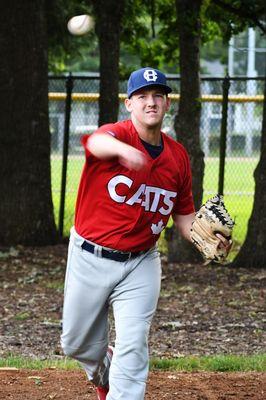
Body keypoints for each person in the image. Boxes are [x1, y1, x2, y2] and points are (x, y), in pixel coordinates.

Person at [60, 67, 230, 400]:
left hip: (141, 262)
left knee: (134, 342)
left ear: (167, 104)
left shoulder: (178, 157)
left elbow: (183, 216)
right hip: (89, 255)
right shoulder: (116, 135)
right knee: (76, 344)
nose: (150, 102)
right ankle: (103, 369)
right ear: (129, 104)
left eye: (158, 96)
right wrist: (123, 151)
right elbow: (95, 142)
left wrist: (207, 237)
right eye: (142, 96)